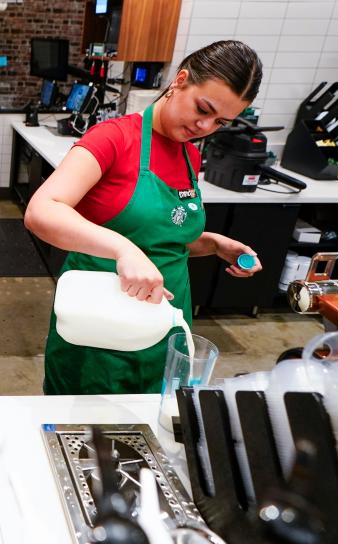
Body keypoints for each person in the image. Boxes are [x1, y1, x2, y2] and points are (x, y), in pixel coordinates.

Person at [24, 40, 265, 395]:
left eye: (221, 122)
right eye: (203, 108)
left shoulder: (189, 157)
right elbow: (42, 211)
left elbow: (161, 236)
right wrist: (124, 250)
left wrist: (211, 243)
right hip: (101, 332)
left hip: (166, 326)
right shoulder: (113, 139)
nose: (205, 126)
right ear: (180, 81)